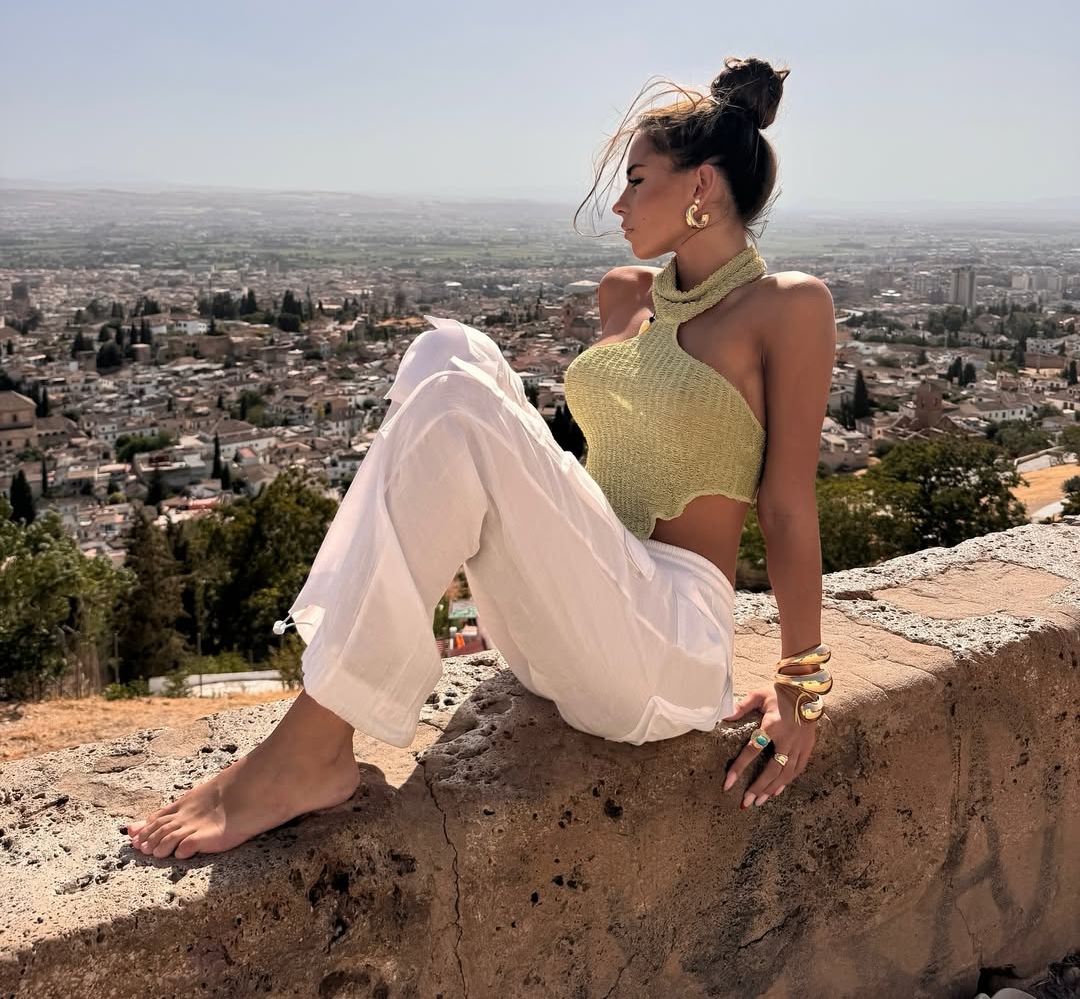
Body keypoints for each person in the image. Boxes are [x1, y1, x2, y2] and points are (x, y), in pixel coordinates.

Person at [124, 56, 837, 860]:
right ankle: (326, 719)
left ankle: (312, 749)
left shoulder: (787, 307)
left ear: (701, 185)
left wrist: (799, 689)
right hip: (571, 618)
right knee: (447, 351)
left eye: (637, 181)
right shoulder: (624, 294)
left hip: (666, 650)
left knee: (459, 404)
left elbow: (787, 505)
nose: (618, 203)